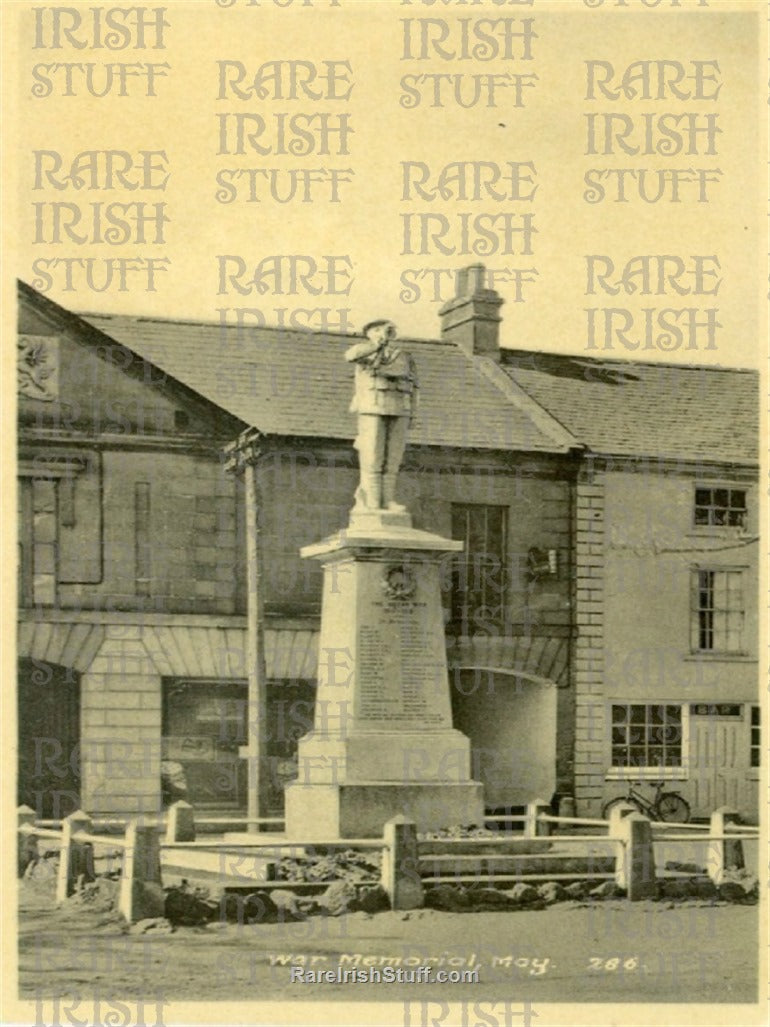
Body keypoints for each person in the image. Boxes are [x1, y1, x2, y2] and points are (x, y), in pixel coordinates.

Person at [345, 319, 418, 512]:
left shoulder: (403, 356)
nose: (382, 333)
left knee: (392, 459)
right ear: (368, 334)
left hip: (400, 409)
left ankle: (388, 500)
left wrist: (413, 414)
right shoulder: (365, 353)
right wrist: (376, 345)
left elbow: (415, 387)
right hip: (372, 407)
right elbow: (350, 355)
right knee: (372, 457)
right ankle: (373, 501)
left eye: (386, 329)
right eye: (376, 329)